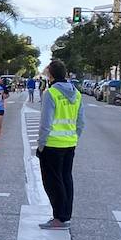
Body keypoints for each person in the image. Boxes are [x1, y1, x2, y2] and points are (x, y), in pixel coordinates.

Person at [36, 59, 85, 230]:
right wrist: (74, 138)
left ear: (50, 75)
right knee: (66, 179)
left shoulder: (51, 93)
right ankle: (65, 216)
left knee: (52, 182)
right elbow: (81, 122)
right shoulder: (76, 94)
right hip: (69, 144)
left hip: (52, 144)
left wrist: (41, 144)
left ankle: (58, 217)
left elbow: (46, 123)